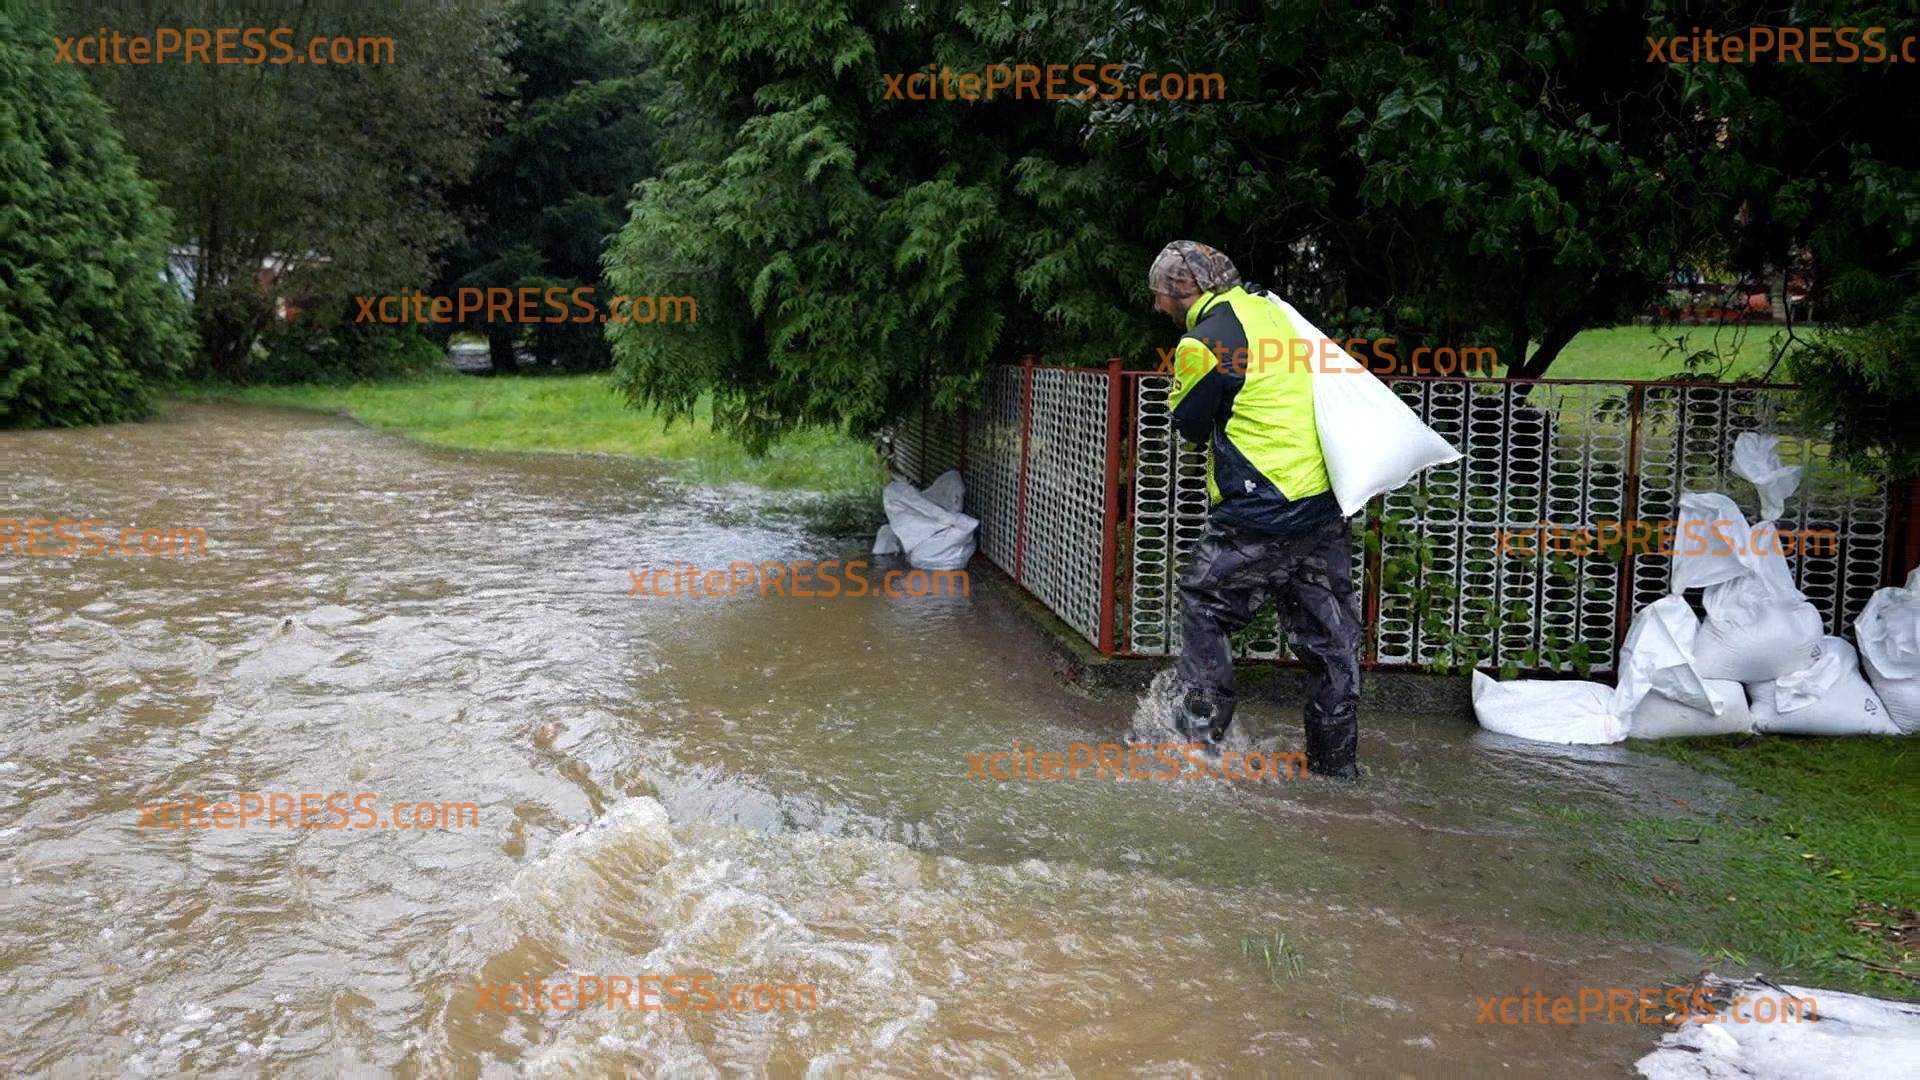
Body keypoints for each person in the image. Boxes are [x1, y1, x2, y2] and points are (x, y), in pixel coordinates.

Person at [1147, 240, 1361, 780]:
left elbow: (1191, 428)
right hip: (1322, 505)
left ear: (1183, 291)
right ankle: (1337, 770)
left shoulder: (1203, 342)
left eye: (1160, 295)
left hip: (1259, 511)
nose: (1156, 308)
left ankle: (1198, 748)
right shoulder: (1273, 311)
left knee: (1205, 601)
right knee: (1330, 641)